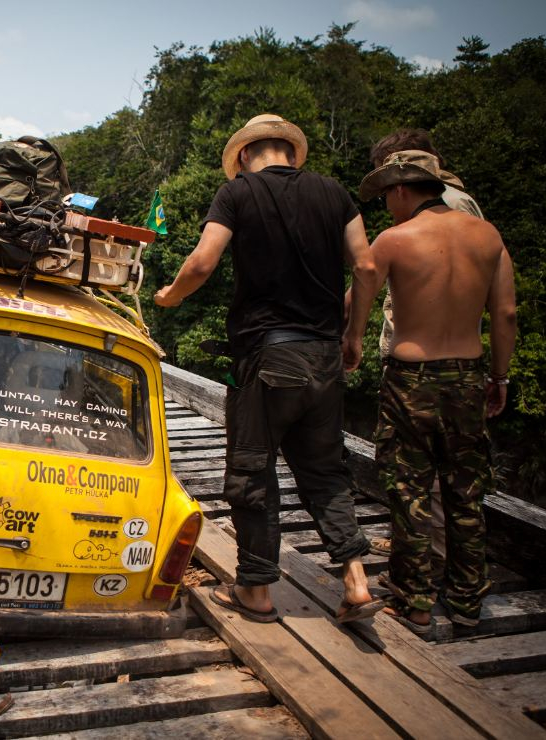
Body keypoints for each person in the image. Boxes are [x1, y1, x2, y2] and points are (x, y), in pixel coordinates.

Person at [155, 113, 383, 624]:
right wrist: (354, 335)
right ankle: (356, 580)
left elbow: (202, 262)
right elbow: (366, 267)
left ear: (243, 155)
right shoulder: (334, 192)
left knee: (251, 470)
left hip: (268, 356)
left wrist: (171, 296)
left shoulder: (237, 193)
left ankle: (255, 589)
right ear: (290, 152)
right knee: (325, 471)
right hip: (324, 356)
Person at [349, 149, 516, 632]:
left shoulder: (395, 239)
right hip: (468, 375)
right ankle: (466, 602)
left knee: (409, 491)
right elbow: (506, 314)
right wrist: (498, 377)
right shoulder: (488, 236)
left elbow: (360, 291)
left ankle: (415, 601)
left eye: (387, 195)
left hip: (411, 378)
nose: (386, 205)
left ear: (402, 189)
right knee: (466, 492)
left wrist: (353, 339)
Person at [360, 130, 484, 569]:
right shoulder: (458, 206)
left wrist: (349, 335)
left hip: (425, 362)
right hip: (457, 359)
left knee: (417, 471)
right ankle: (440, 562)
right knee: (444, 472)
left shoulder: (447, 206)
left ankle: (428, 562)